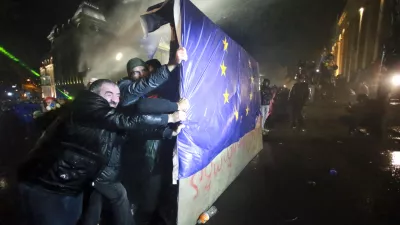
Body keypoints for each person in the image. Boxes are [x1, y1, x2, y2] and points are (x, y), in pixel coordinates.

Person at [17, 79, 186, 225]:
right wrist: (170, 117)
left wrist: (167, 132)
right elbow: (124, 121)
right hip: (45, 183)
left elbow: (132, 131)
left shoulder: (104, 116)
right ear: (95, 95)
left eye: (117, 95)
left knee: (85, 211)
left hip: (72, 184)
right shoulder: (86, 106)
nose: (115, 100)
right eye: (108, 94)